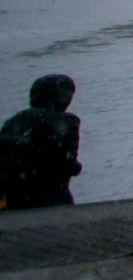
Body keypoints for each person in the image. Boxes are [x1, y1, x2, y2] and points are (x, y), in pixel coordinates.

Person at [0, 74, 83, 208]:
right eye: (65, 96)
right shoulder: (67, 121)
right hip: (52, 195)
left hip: (16, 195)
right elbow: (67, 161)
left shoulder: (15, 120)